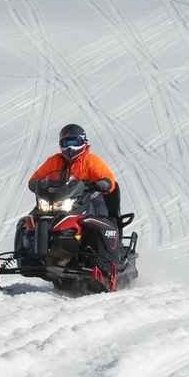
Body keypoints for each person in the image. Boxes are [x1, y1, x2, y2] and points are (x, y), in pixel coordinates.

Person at [28, 123, 121, 287]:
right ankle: (26, 257)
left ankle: (108, 266)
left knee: (98, 223)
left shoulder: (90, 160)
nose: (70, 147)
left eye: (74, 142)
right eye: (65, 143)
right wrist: (36, 184)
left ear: (83, 142)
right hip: (58, 203)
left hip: (87, 200)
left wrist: (103, 183)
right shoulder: (55, 161)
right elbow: (36, 178)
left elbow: (108, 178)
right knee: (28, 221)